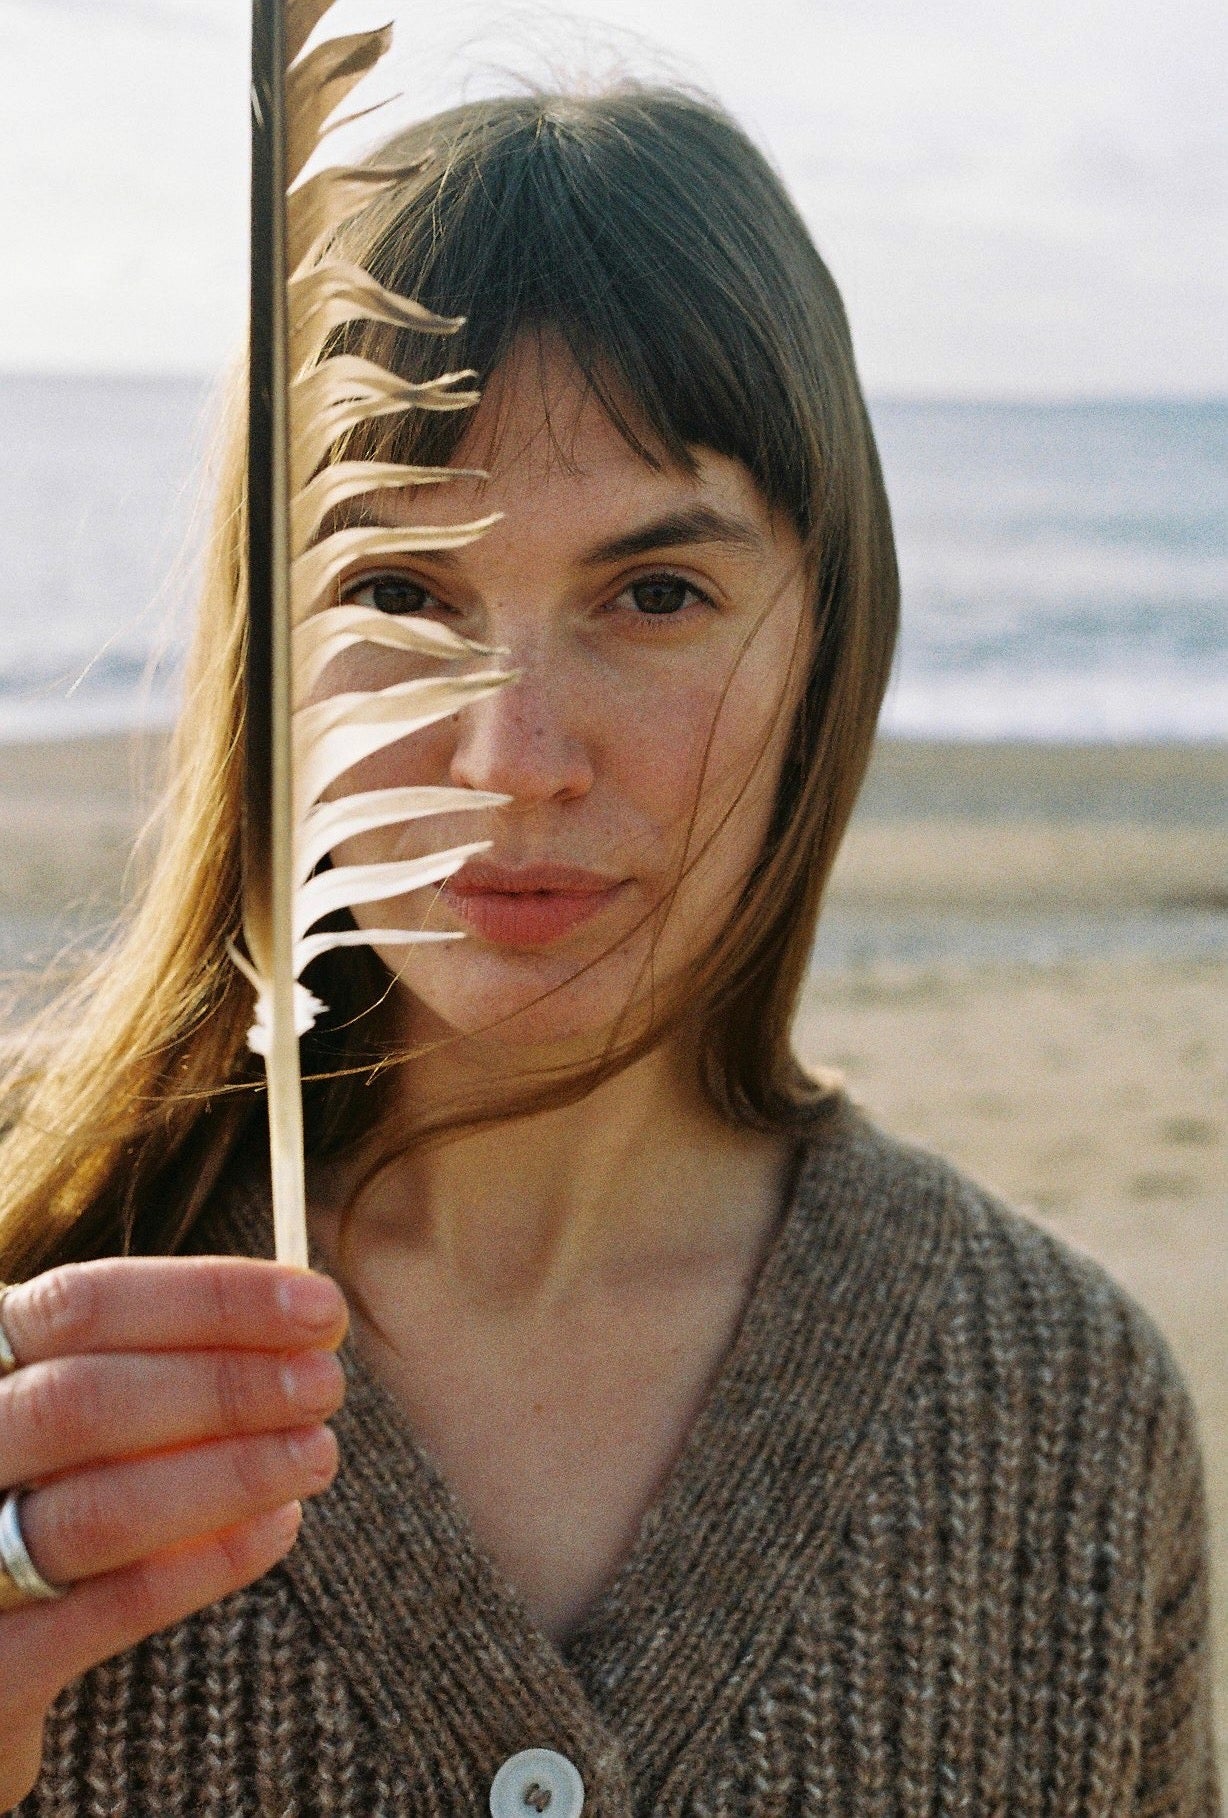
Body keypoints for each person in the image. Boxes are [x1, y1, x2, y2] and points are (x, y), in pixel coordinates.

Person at [0, 87, 1218, 1817]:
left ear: (827, 640)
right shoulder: (23, 1274)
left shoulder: (1068, 1419)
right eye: (401, 595)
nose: (515, 755)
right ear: (272, 645)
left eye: (654, 596)